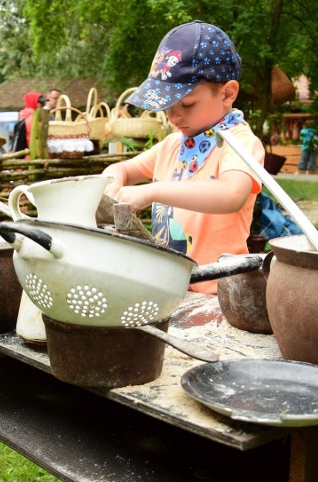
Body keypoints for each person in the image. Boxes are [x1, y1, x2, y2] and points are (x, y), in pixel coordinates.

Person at [102, 21, 264, 295]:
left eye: (187, 104)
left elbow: (232, 195)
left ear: (227, 93)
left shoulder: (239, 143)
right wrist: (112, 185)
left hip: (218, 292)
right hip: (170, 287)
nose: (174, 116)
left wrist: (153, 192)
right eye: (167, 106)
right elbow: (121, 169)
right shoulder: (171, 145)